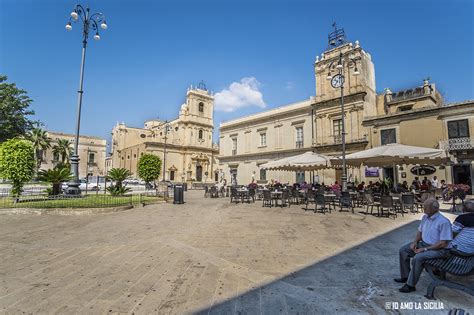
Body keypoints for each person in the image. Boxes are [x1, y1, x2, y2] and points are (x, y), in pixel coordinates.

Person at [395, 199, 452, 293]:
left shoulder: (444, 222)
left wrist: (424, 249)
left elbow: (443, 243)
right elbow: (420, 231)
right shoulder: (425, 217)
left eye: (426, 207)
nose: (423, 208)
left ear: (434, 209)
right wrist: (415, 242)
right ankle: (406, 276)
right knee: (403, 250)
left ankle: (410, 285)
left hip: (440, 250)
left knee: (418, 258)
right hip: (425, 244)